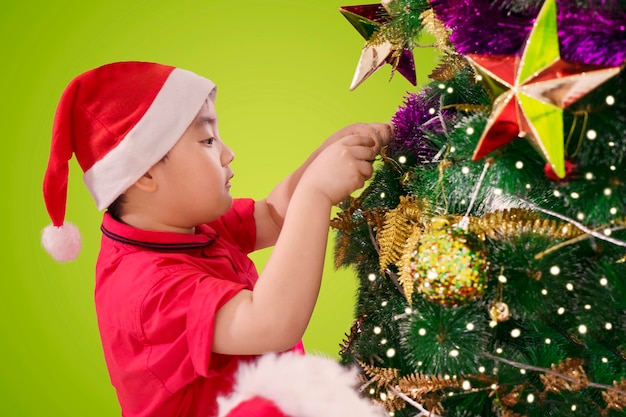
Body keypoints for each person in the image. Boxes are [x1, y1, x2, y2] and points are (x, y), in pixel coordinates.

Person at [41, 61, 393, 417]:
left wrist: (333, 150)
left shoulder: (182, 223)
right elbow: (271, 323)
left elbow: (271, 214)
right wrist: (316, 192)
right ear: (145, 173)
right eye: (208, 140)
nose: (228, 153)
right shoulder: (148, 292)